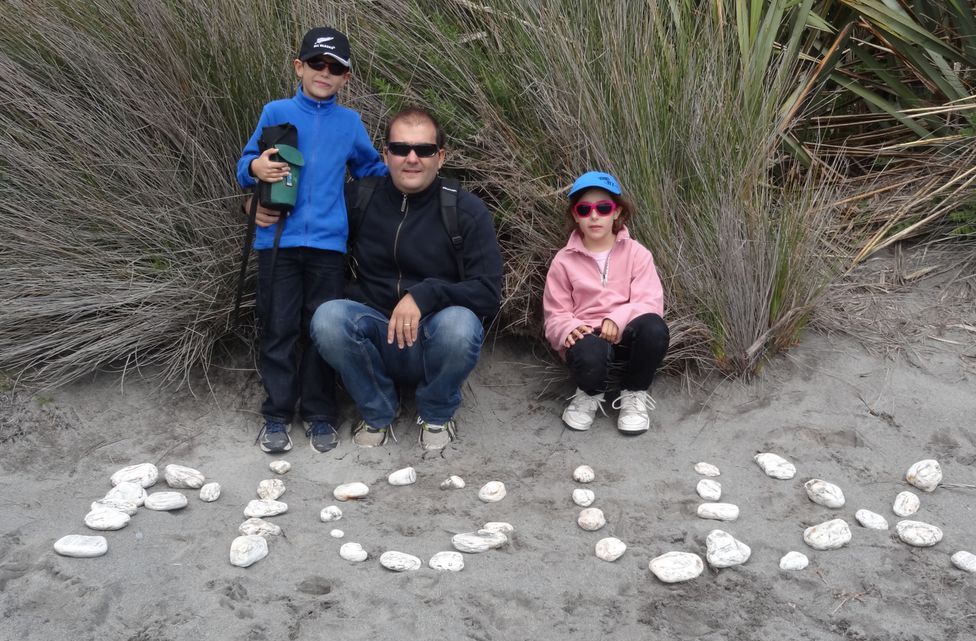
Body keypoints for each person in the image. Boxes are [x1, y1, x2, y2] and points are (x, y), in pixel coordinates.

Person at [309, 107, 502, 450]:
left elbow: (488, 292)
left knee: (462, 324)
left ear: (440, 157)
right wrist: (256, 205)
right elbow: (310, 222)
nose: (412, 158)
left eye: (424, 150)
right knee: (327, 318)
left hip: (433, 338)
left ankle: (437, 411)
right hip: (374, 337)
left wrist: (425, 296)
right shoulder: (360, 198)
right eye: (400, 148)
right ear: (385, 155)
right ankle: (378, 409)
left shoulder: (464, 210)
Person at [236, 26, 386, 454]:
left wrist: (406, 183)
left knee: (319, 331)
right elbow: (246, 163)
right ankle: (277, 415)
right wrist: (255, 173)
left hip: (328, 245)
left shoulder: (351, 122)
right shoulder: (276, 112)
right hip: (275, 241)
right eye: (316, 64)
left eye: (335, 67)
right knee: (279, 328)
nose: (325, 72)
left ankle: (321, 415)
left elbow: (371, 169)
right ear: (298, 67)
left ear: (346, 78)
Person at [543, 171, 669, 434]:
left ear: (617, 212)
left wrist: (618, 319)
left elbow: (651, 302)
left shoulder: (638, 254)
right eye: (584, 209)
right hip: (588, 337)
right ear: (575, 215)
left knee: (655, 329)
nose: (594, 215)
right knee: (590, 352)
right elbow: (555, 314)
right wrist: (568, 329)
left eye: (603, 207)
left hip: (628, 336)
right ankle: (589, 393)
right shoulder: (563, 261)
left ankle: (634, 392)